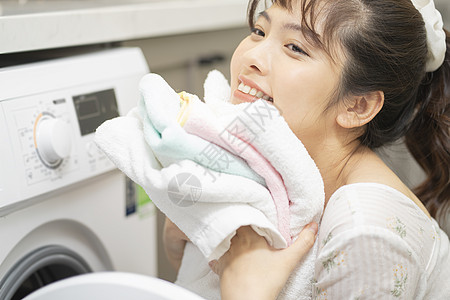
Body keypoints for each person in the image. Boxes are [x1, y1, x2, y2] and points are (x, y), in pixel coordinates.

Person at [164, 0, 450, 298]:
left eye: (295, 48)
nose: (251, 56)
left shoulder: (365, 230)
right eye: (259, 31)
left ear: (357, 105)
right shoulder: (269, 178)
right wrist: (183, 238)